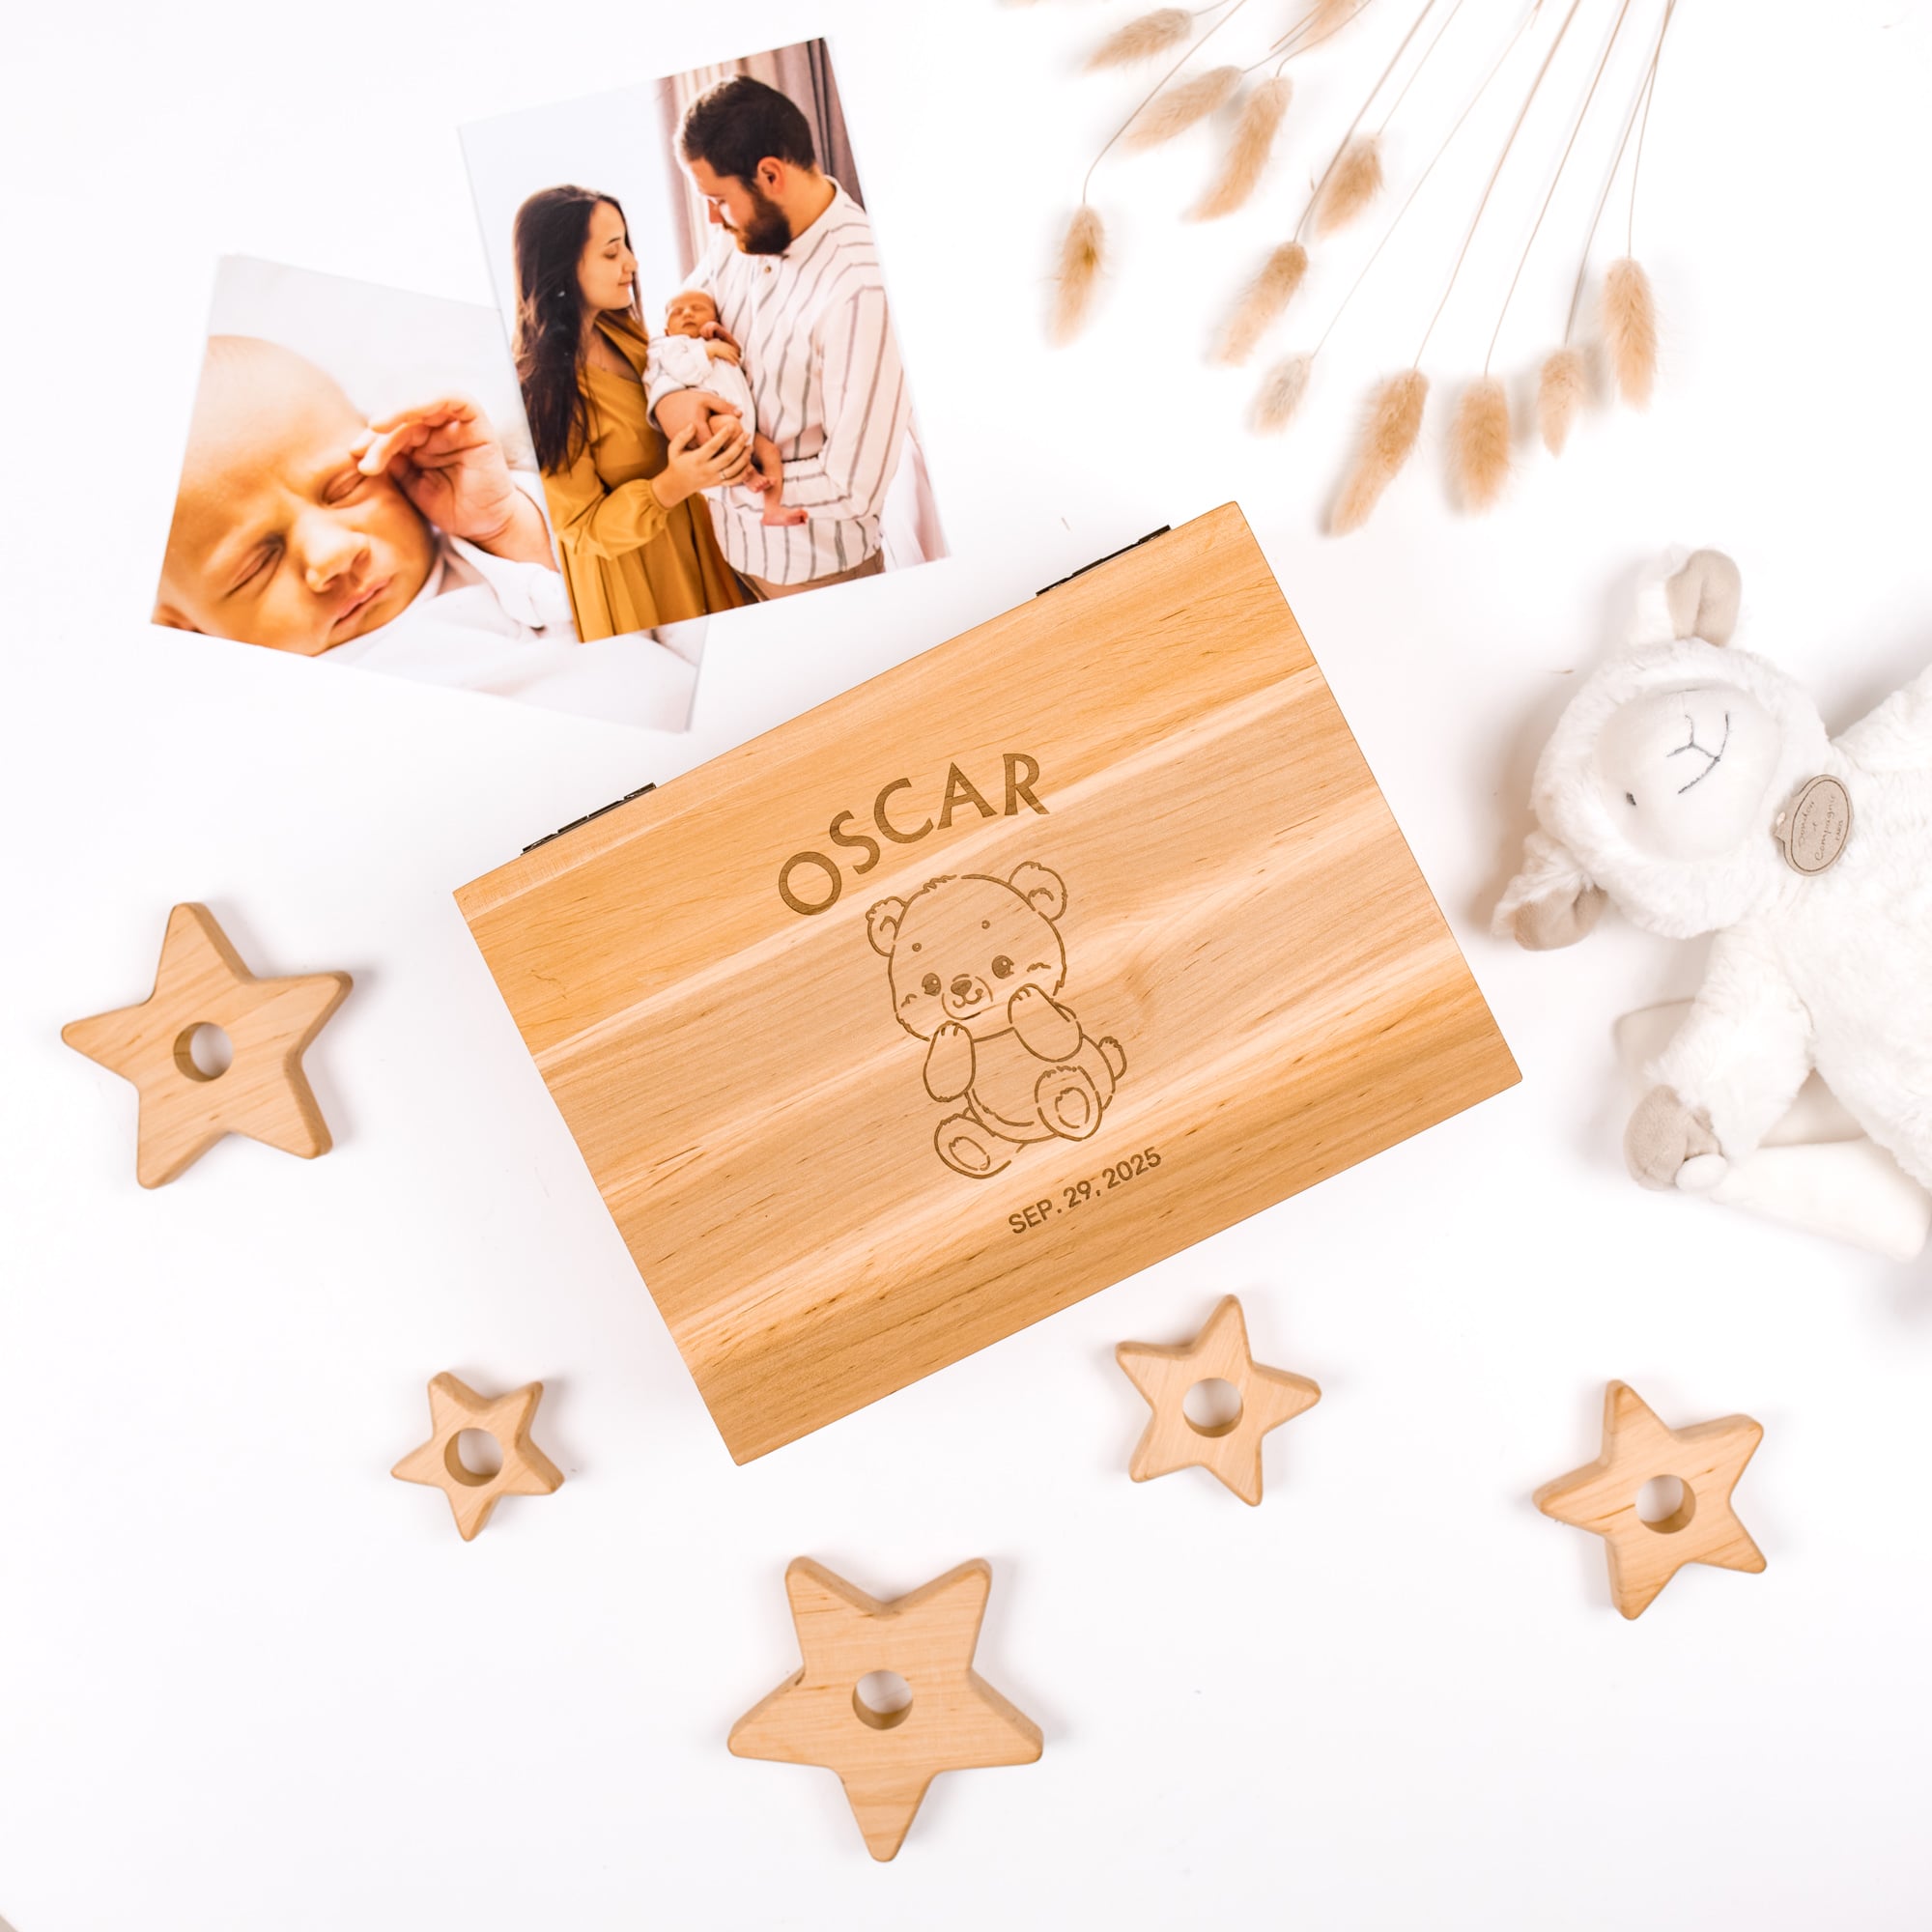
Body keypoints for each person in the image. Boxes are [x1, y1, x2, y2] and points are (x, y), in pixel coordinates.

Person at [152, 335, 700, 724]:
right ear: (188, 633)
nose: (333, 553)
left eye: (345, 487)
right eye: (254, 565)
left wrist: (505, 523)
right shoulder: (270, 706)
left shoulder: (483, 548)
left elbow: (628, 595)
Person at [672, 75, 912, 600]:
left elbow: (856, 487)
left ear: (770, 175)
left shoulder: (860, 287)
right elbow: (689, 303)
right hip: (736, 557)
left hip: (817, 577)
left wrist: (718, 478)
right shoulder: (741, 233)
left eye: (718, 199)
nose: (711, 217)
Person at [512, 186, 752, 641]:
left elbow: (670, 391)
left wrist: (708, 355)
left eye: (626, 245)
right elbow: (580, 528)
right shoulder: (542, 389)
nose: (632, 263)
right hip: (633, 585)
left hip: (688, 542)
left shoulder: (621, 332)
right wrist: (674, 484)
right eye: (611, 252)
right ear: (563, 267)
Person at [648, 288, 805, 527]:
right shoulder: (673, 347)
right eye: (677, 312)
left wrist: (721, 338)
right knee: (729, 428)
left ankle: (773, 507)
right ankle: (748, 474)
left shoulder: (717, 343)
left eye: (698, 308)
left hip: (745, 423)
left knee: (771, 452)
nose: (687, 313)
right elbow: (682, 369)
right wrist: (707, 351)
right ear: (667, 330)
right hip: (714, 420)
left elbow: (739, 361)